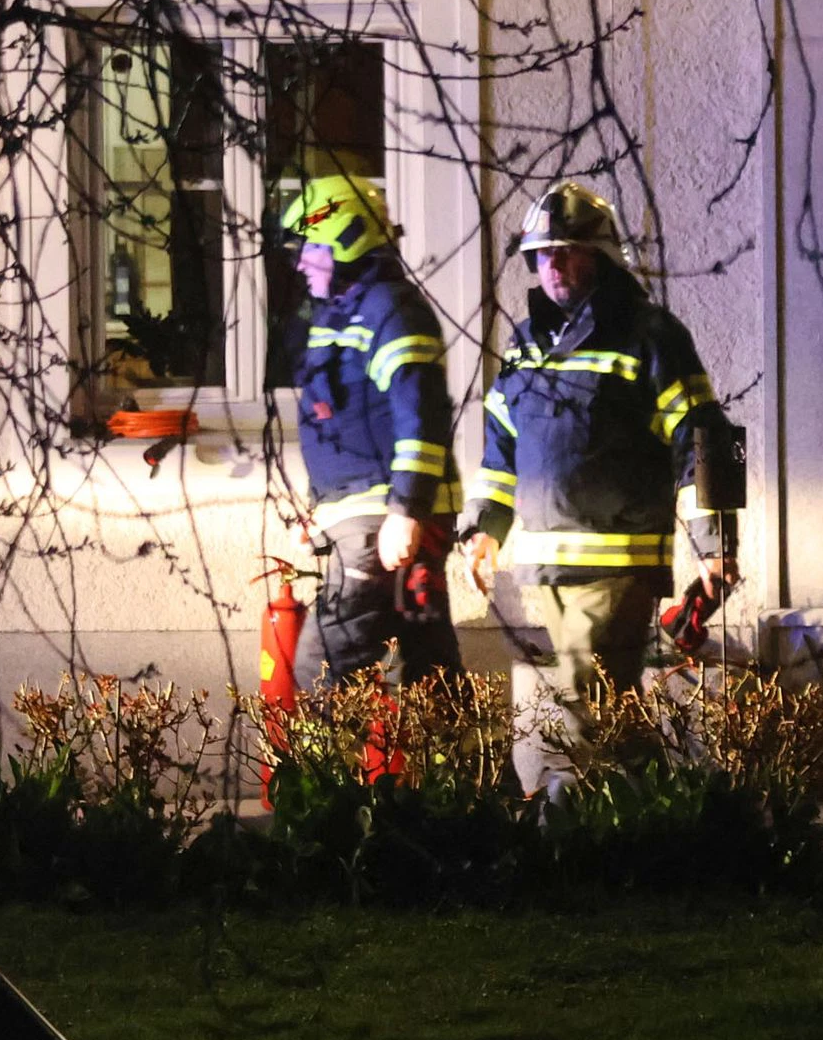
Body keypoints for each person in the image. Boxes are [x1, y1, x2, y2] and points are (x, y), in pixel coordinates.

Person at [462, 180, 740, 784]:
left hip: (617, 561)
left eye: (568, 250)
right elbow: (502, 449)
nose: (553, 264)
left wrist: (716, 545)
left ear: (603, 256)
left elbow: (701, 438)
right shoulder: (528, 344)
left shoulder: (649, 337)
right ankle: (653, 822)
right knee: (607, 706)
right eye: (543, 253)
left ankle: (593, 835)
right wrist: (483, 528)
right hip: (549, 565)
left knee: (586, 706)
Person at [283, 172, 459, 691]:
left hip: (383, 522)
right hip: (371, 519)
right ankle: (466, 771)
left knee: (323, 672)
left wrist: (406, 512)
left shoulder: (389, 310)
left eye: (309, 245)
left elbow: (421, 416)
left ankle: (324, 774)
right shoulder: (347, 312)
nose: (300, 261)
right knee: (431, 679)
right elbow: (344, 420)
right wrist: (319, 508)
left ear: (344, 238)